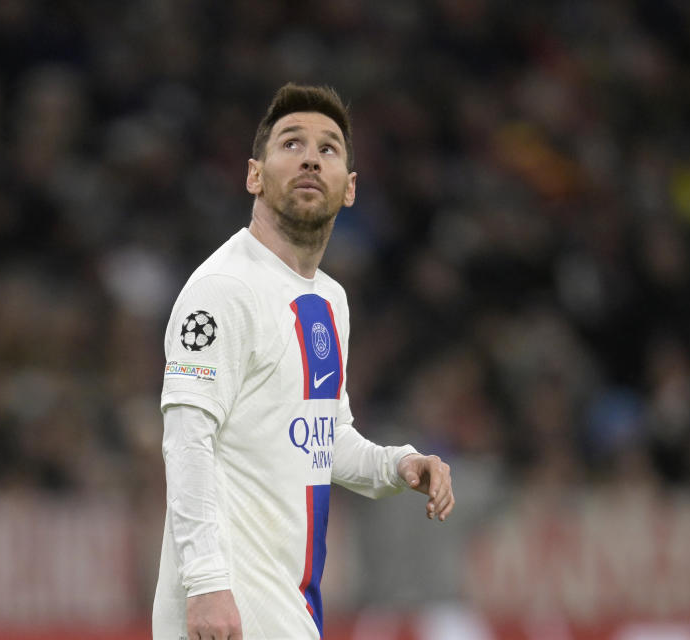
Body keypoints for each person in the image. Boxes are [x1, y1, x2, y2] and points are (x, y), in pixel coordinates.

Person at [153, 83, 456, 640]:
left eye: (329, 148)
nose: (312, 156)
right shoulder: (222, 289)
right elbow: (186, 438)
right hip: (230, 612)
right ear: (254, 175)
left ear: (350, 189)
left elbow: (320, 439)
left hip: (287, 608)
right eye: (291, 143)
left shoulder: (328, 302)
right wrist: (206, 585)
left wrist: (398, 466)